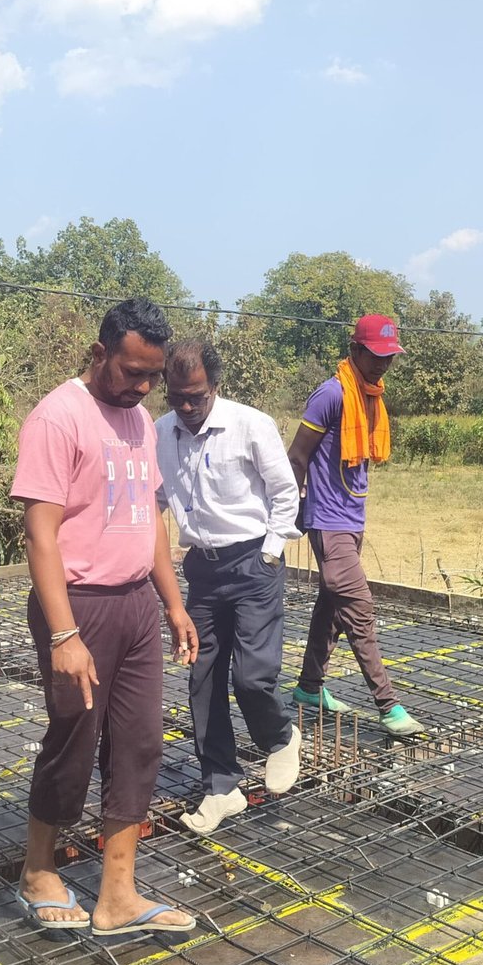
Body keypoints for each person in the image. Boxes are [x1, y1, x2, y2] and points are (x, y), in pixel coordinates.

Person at [11, 298, 200, 938]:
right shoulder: (57, 417)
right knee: (73, 738)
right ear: (99, 354)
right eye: (132, 372)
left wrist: (172, 604)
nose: (143, 387)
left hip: (135, 604)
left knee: (140, 743)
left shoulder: (141, 422)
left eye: (152, 377)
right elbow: (40, 534)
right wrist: (64, 634)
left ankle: (118, 894)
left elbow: (149, 520)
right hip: (79, 605)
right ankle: (38, 871)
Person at [155, 339, 302, 834]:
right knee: (202, 677)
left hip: (252, 563)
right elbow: (156, 496)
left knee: (252, 677)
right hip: (203, 568)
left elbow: (285, 492)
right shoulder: (161, 432)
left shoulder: (250, 425)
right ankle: (221, 785)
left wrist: (271, 551)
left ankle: (280, 738)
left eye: (196, 396)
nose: (187, 407)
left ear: (215, 386)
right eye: (177, 397)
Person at [286, 315, 426, 736]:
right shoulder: (331, 394)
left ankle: (309, 687)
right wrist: (292, 510)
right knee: (359, 610)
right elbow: (297, 456)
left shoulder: (370, 396)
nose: (383, 363)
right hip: (328, 522)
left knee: (331, 608)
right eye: (376, 355)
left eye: (390, 356)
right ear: (355, 350)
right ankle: (388, 706)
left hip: (351, 519)